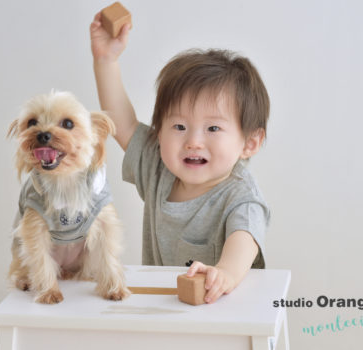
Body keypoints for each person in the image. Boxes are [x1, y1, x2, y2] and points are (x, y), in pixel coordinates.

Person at [90, 11, 270, 304]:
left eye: (213, 128)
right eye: (179, 126)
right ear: (159, 132)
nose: (193, 141)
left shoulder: (241, 197)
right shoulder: (158, 168)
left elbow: (244, 240)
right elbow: (121, 123)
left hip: (224, 311)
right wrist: (106, 60)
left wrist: (223, 273)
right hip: (166, 309)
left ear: (250, 143)